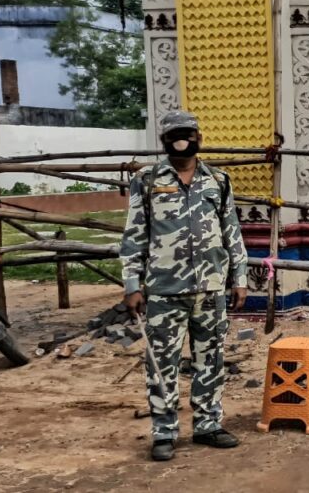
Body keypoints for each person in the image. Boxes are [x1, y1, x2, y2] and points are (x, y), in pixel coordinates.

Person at [120, 110, 249, 462]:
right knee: (162, 363)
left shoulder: (218, 180)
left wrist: (239, 278)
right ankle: (164, 432)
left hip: (210, 288)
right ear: (163, 140)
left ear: (199, 137)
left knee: (211, 359)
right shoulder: (147, 180)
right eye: (175, 134)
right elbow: (134, 236)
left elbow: (231, 231)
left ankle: (208, 425)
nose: (182, 140)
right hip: (164, 290)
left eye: (187, 133)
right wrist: (132, 284)